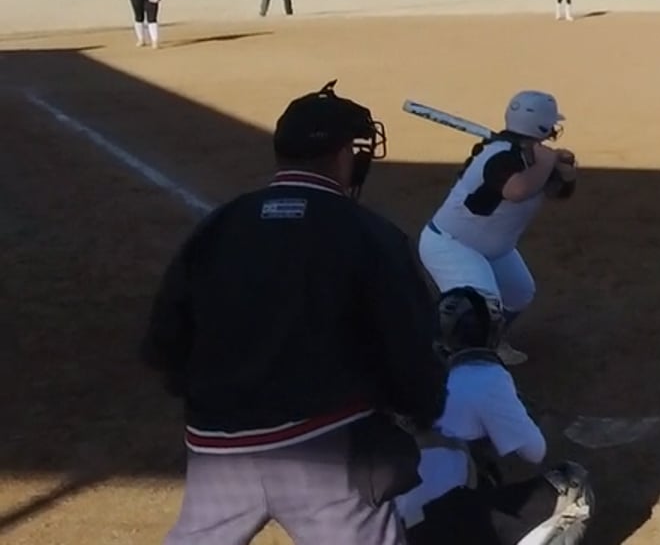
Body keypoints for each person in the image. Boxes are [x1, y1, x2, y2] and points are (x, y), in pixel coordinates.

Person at [140, 80, 447, 545]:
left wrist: (213, 403)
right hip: (326, 453)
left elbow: (165, 341)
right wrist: (421, 410)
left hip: (218, 451)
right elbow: (409, 348)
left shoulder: (220, 225)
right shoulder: (370, 233)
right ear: (344, 154)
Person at [396, 288, 595, 545]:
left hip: (386, 529)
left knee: (474, 469)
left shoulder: (402, 377)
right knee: (572, 485)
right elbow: (534, 452)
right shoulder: (484, 376)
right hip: (444, 525)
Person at [416, 91, 578, 367]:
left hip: (493, 249)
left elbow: (559, 192)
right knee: (477, 306)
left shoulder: (533, 158)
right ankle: (449, 363)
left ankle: (492, 342)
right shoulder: (500, 156)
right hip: (452, 245)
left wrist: (566, 172)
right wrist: (546, 162)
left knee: (519, 293)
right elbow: (517, 190)